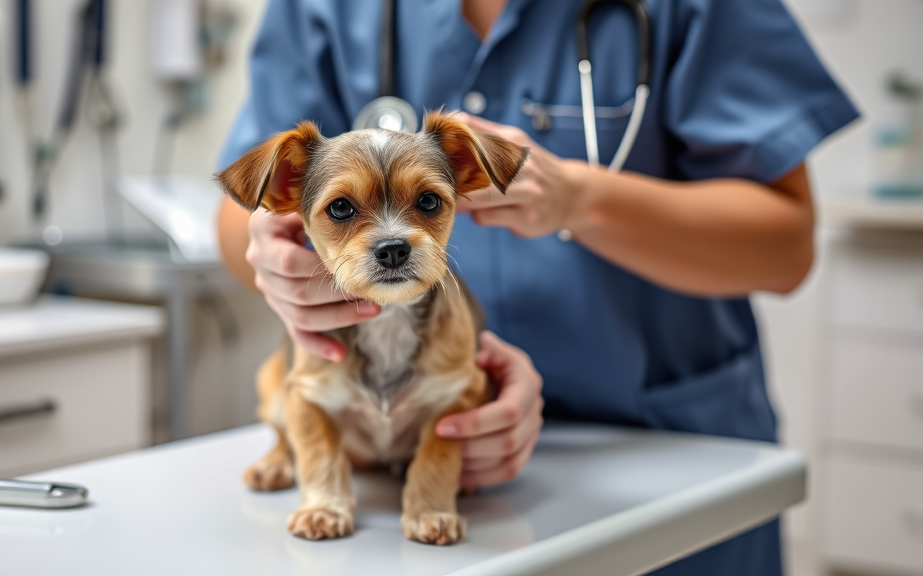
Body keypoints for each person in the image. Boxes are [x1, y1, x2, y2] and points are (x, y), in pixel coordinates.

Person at [216, 0, 858, 573]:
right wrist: (274, 255)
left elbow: (787, 247)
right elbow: (237, 218)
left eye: (428, 204)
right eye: (343, 209)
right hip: (425, 500)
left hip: (660, 455)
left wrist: (582, 197)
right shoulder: (320, 10)